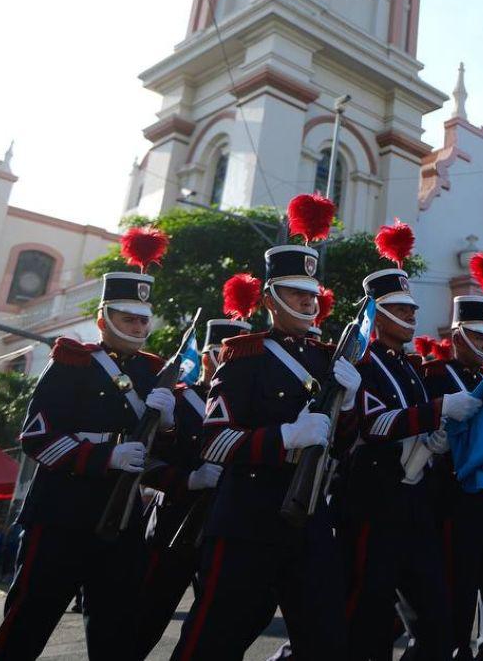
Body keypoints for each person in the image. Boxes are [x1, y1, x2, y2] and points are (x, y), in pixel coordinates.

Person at [169, 242, 362, 659]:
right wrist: (286, 436)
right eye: (297, 293)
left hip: (308, 518)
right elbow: (215, 442)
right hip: (247, 520)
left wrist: (347, 406)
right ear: (272, 297)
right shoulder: (244, 355)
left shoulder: (327, 360)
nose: (309, 301)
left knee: (327, 640)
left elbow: (342, 446)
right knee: (213, 640)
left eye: (313, 293)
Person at [0, 263, 177, 661]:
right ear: (104, 320)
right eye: (129, 319)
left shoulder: (152, 372)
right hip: (61, 515)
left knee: (117, 630)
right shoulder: (73, 363)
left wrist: (168, 425)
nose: (139, 327)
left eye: (143, 320)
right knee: (27, 623)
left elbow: (161, 456)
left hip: (121, 519)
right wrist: (106, 456)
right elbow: (37, 438)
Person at [340, 228, 481, 661]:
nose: (411, 315)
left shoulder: (411, 368)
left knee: (437, 625)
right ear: (377, 316)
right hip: (373, 504)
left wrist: (434, 439)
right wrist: (437, 412)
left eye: (412, 307)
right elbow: (373, 424)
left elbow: (412, 421)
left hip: (418, 508)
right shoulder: (358, 363)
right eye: (400, 308)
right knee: (368, 624)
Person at [419, 256, 483, 660]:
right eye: (478, 337)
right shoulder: (436, 377)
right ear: (458, 334)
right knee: (455, 607)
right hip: (453, 505)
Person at [133, 313, 249, 659]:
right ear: (206, 357)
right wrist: (188, 480)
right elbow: (146, 463)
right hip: (175, 524)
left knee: (217, 627)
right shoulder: (180, 401)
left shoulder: (249, 405)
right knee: (145, 618)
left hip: (226, 525)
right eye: (224, 355)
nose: (231, 364)